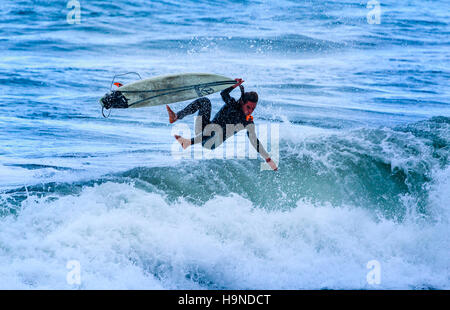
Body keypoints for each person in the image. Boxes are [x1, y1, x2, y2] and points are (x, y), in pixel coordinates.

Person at [166, 78, 278, 171]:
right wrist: (234, 85)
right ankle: (176, 116)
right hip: (203, 130)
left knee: (218, 129)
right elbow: (224, 93)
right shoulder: (232, 104)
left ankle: (188, 142)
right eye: (248, 107)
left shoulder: (247, 121)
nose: (250, 111)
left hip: (212, 142)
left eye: (253, 108)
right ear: (242, 102)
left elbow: (254, 140)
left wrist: (267, 159)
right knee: (205, 101)